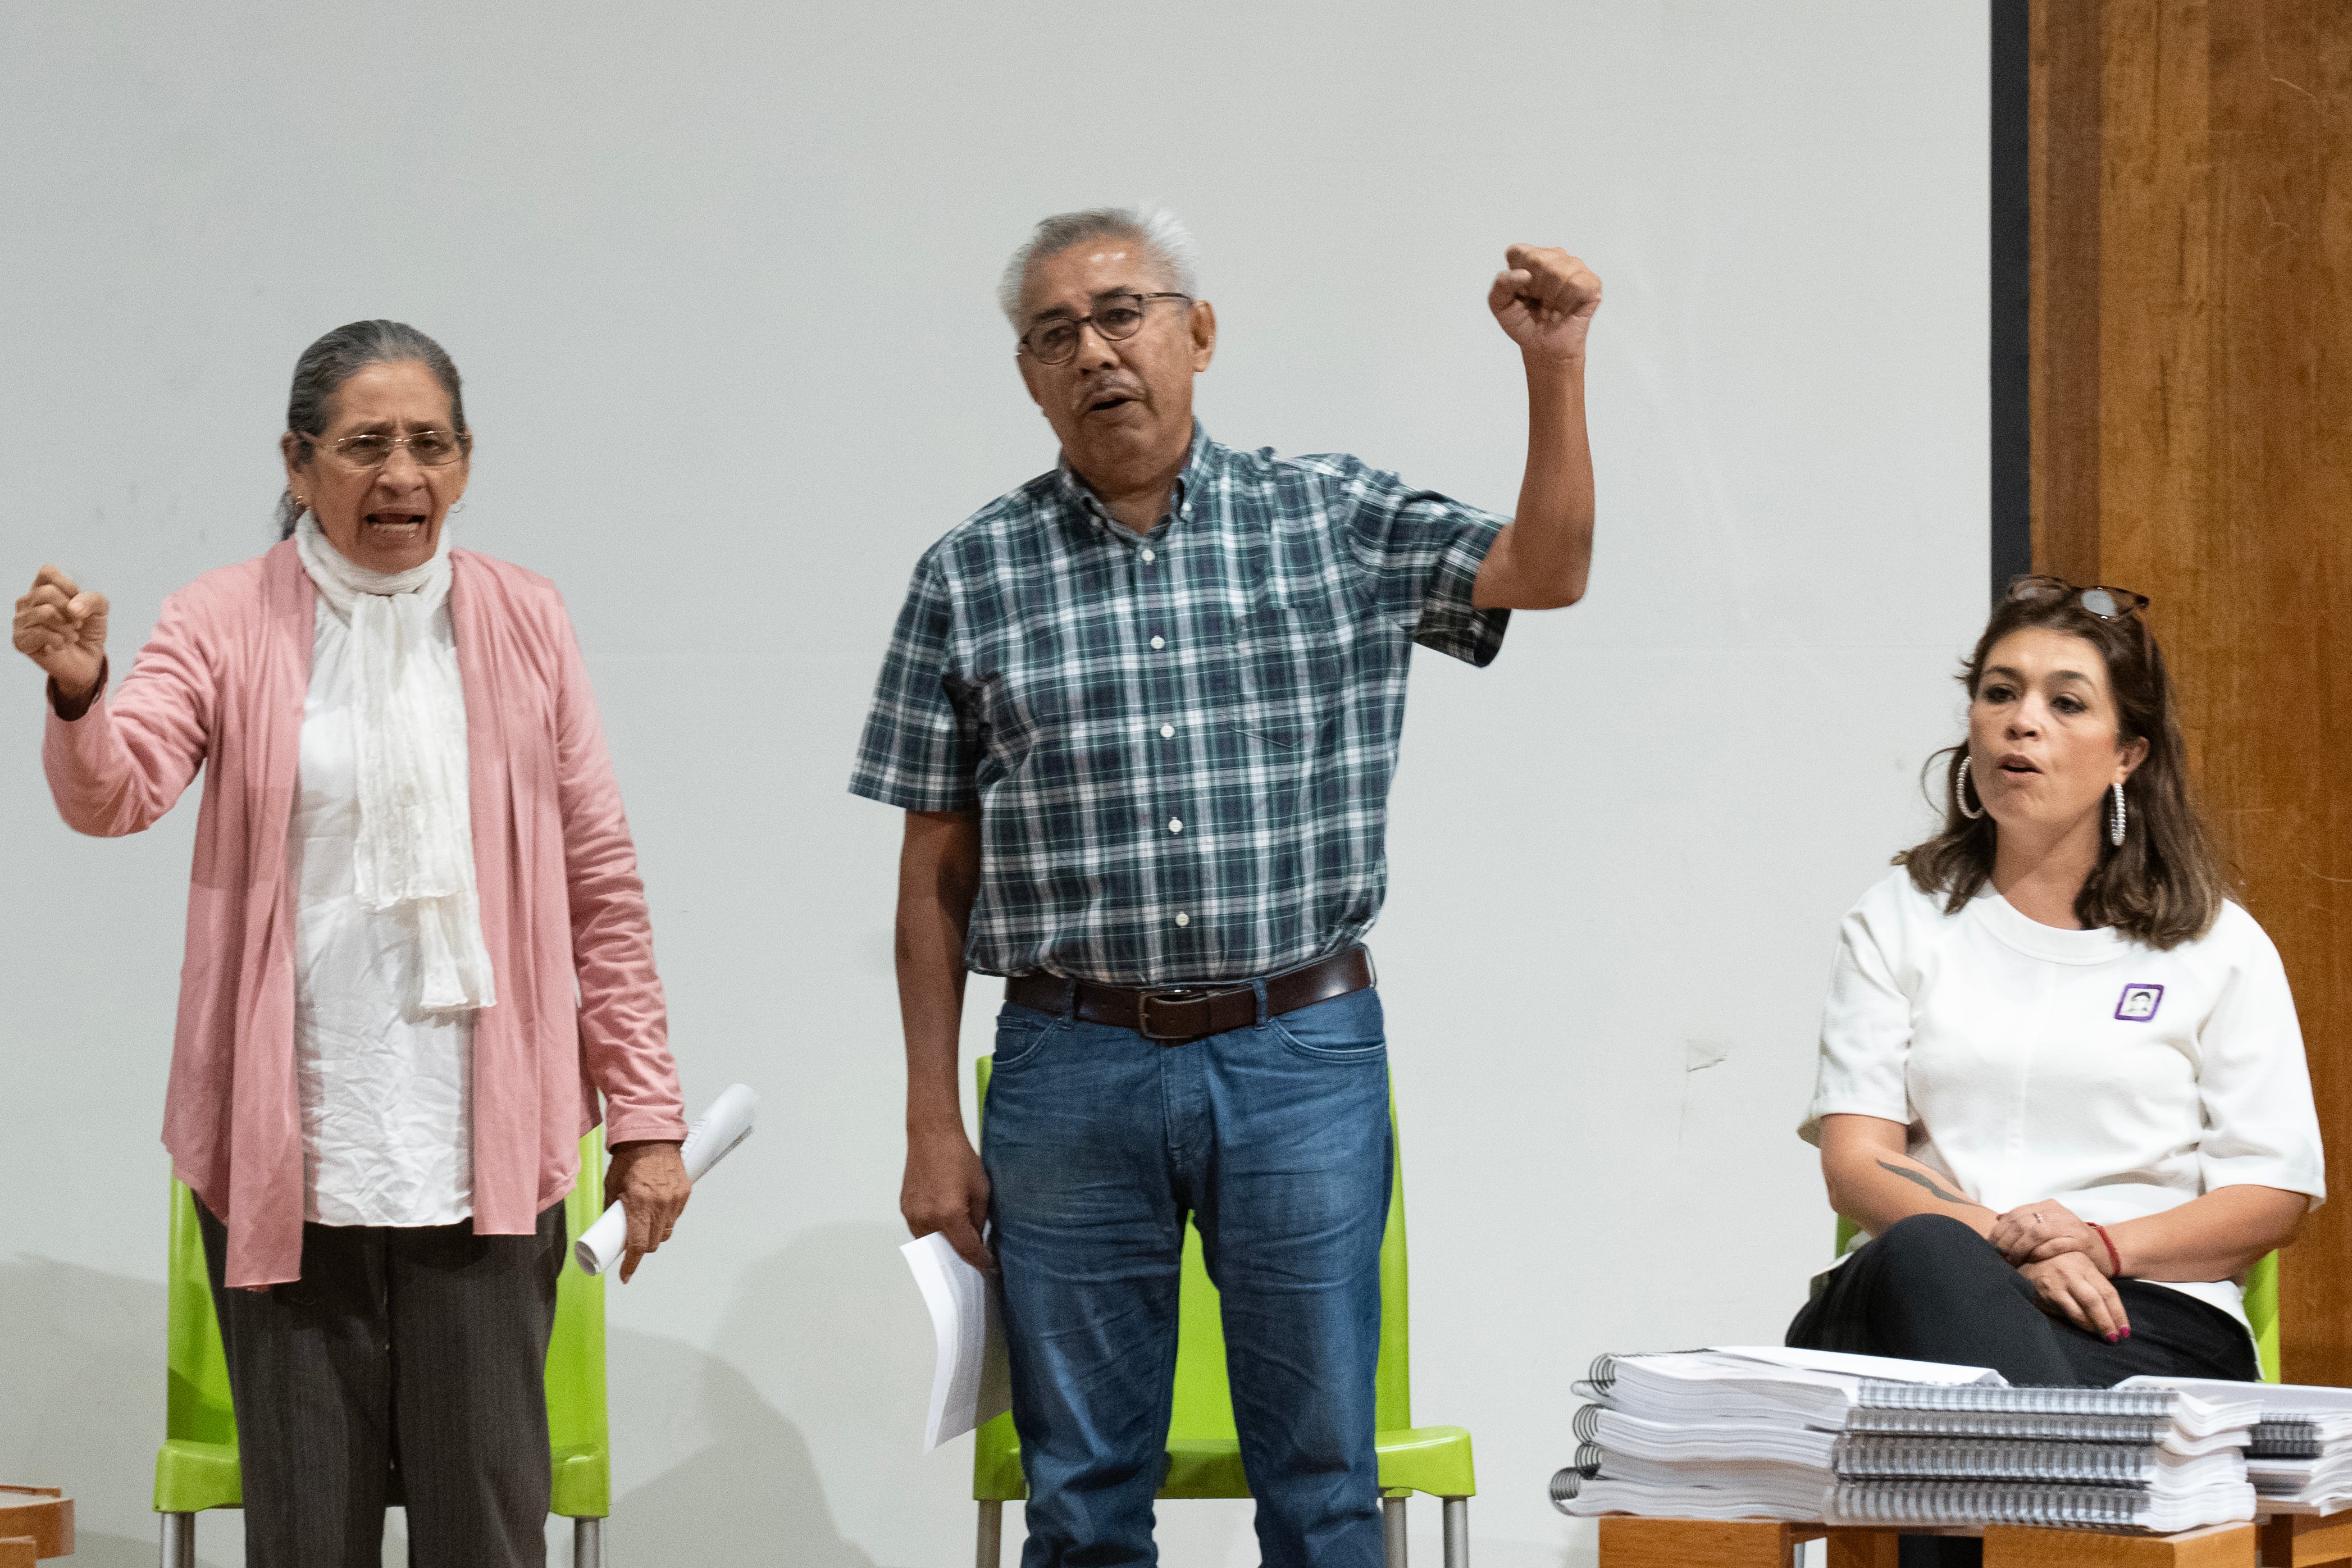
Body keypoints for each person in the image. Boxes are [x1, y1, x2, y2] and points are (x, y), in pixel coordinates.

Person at [851, 207, 1601, 1566]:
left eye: (1125, 312)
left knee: (1321, 1485)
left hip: (1298, 1047)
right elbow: (933, 875)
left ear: (1199, 332)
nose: (1096, 351)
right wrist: (928, 1121)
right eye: (1054, 333)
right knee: (1081, 1495)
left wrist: (1554, 365)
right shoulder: (969, 574)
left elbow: (1545, 571)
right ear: (1028, 374)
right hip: (1068, 1064)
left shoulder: (1331, 517)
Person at [13, 320, 693, 1568]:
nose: (402, 475)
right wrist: (76, 692)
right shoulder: (221, 617)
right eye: (365, 443)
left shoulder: (525, 616)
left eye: (431, 445)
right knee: (305, 1538)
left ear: (468, 463)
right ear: (297, 458)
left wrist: (646, 1115)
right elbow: (118, 792)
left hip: (485, 1163)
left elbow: (600, 877)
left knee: (484, 1532)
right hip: (294, 1152)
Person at [1786, 576, 2325, 1388]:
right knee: (1932, 1265)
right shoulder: (1898, 918)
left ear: (2128, 755)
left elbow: (2271, 1194)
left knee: (1985, 1390)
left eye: (2066, 704)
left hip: (2139, 1314)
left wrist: (2100, 1246)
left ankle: (2019, 1493)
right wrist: (2014, 1250)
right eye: (2000, 693)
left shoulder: (2218, 946)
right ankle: (2060, 1494)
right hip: (1921, 1288)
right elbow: (1857, 1161)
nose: (2022, 720)